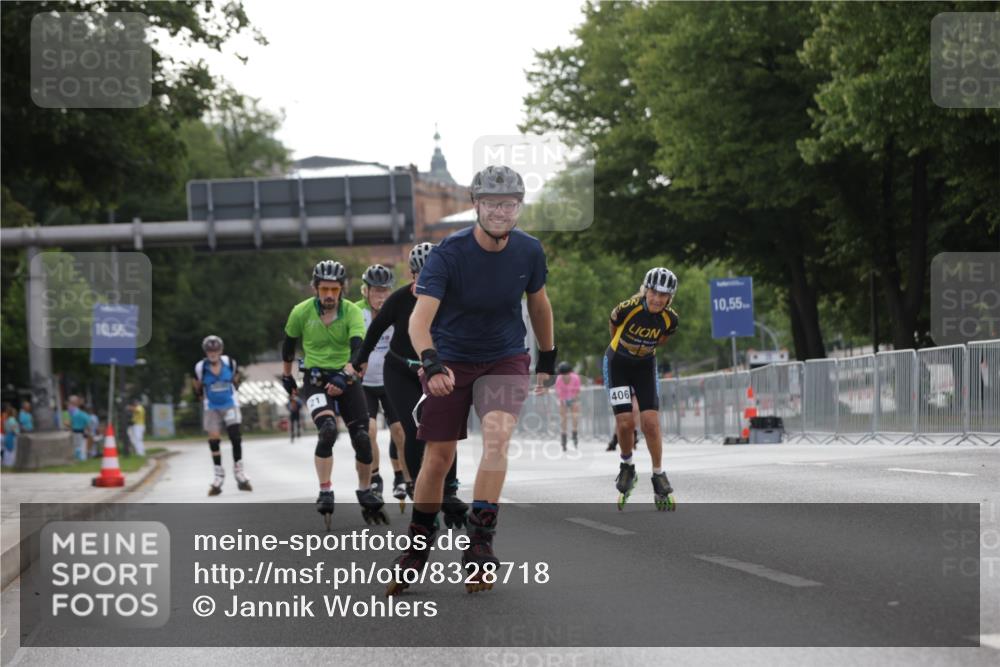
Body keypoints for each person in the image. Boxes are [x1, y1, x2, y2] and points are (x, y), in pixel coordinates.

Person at [387, 165, 556, 595]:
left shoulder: (529, 251)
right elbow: (419, 320)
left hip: (505, 357)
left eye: (509, 204)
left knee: (497, 437)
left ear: (518, 207)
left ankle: (480, 543)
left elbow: (539, 305)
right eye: (492, 203)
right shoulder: (449, 254)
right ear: (475, 204)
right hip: (452, 360)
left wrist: (549, 357)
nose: (501, 212)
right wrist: (431, 363)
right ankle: (418, 544)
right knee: (438, 459)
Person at [352, 244, 466, 522]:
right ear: (412, 275)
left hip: (437, 371)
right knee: (415, 428)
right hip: (400, 370)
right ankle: (421, 491)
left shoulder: (453, 298)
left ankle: (449, 490)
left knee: (444, 428)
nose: (426, 283)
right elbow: (375, 331)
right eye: (420, 277)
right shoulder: (401, 299)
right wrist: (360, 360)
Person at [281, 259, 386, 528]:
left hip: (347, 377)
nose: (329, 295)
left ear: (342, 289)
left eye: (334, 290)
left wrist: (345, 374)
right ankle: (325, 489)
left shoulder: (351, 312)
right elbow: (289, 346)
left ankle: (364, 489)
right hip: (315, 380)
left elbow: (359, 350)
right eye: (324, 289)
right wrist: (286, 376)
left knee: (362, 438)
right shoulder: (301, 312)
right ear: (315, 288)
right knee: (327, 429)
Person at [605, 267, 679, 511]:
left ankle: (658, 474)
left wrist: (641, 351)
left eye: (663, 295)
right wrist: (624, 349)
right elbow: (613, 325)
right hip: (618, 364)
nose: (657, 299)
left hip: (645, 365)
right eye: (653, 293)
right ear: (645, 290)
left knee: (650, 422)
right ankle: (627, 466)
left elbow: (663, 339)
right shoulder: (628, 307)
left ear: (670, 298)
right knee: (625, 422)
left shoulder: (670, 319)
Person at [354, 264, 408, 503]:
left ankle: (402, 477)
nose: (382, 296)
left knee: (400, 431)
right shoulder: (355, 312)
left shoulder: (396, 309)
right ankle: (375, 478)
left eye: (385, 290)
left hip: (390, 380)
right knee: (370, 430)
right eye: (376, 291)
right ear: (365, 291)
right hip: (365, 384)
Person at [193, 335, 252, 495]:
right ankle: (218, 474)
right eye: (209, 350)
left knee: (235, 436)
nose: (213, 353)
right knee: (214, 440)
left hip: (229, 403)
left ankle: (239, 471)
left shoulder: (229, 363)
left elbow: (236, 380)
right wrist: (199, 393)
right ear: (205, 352)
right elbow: (197, 385)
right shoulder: (200, 367)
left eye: (215, 350)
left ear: (221, 351)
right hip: (211, 406)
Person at [555, 361, 581, 451]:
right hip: (563, 398)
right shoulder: (559, 379)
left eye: (566, 374)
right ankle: (564, 437)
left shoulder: (575, 378)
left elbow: (577, 391)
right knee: (563, 418)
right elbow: (559, 393)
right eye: (563, 374)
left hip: (573, 398)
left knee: (574, 416)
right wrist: (562, 401)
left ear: (570, 373)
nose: (565, 376)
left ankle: (574, 433)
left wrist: (574, 400)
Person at [67, 396, 91, 461]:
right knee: (83, 444)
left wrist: (70, 428)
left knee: (76, 444)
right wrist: (88, 431)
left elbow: (70, 422)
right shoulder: (84, 415)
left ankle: (77, 456)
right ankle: (82, 457)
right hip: (82, 431)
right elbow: (88, 424)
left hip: (75, 431)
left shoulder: (73, 414)